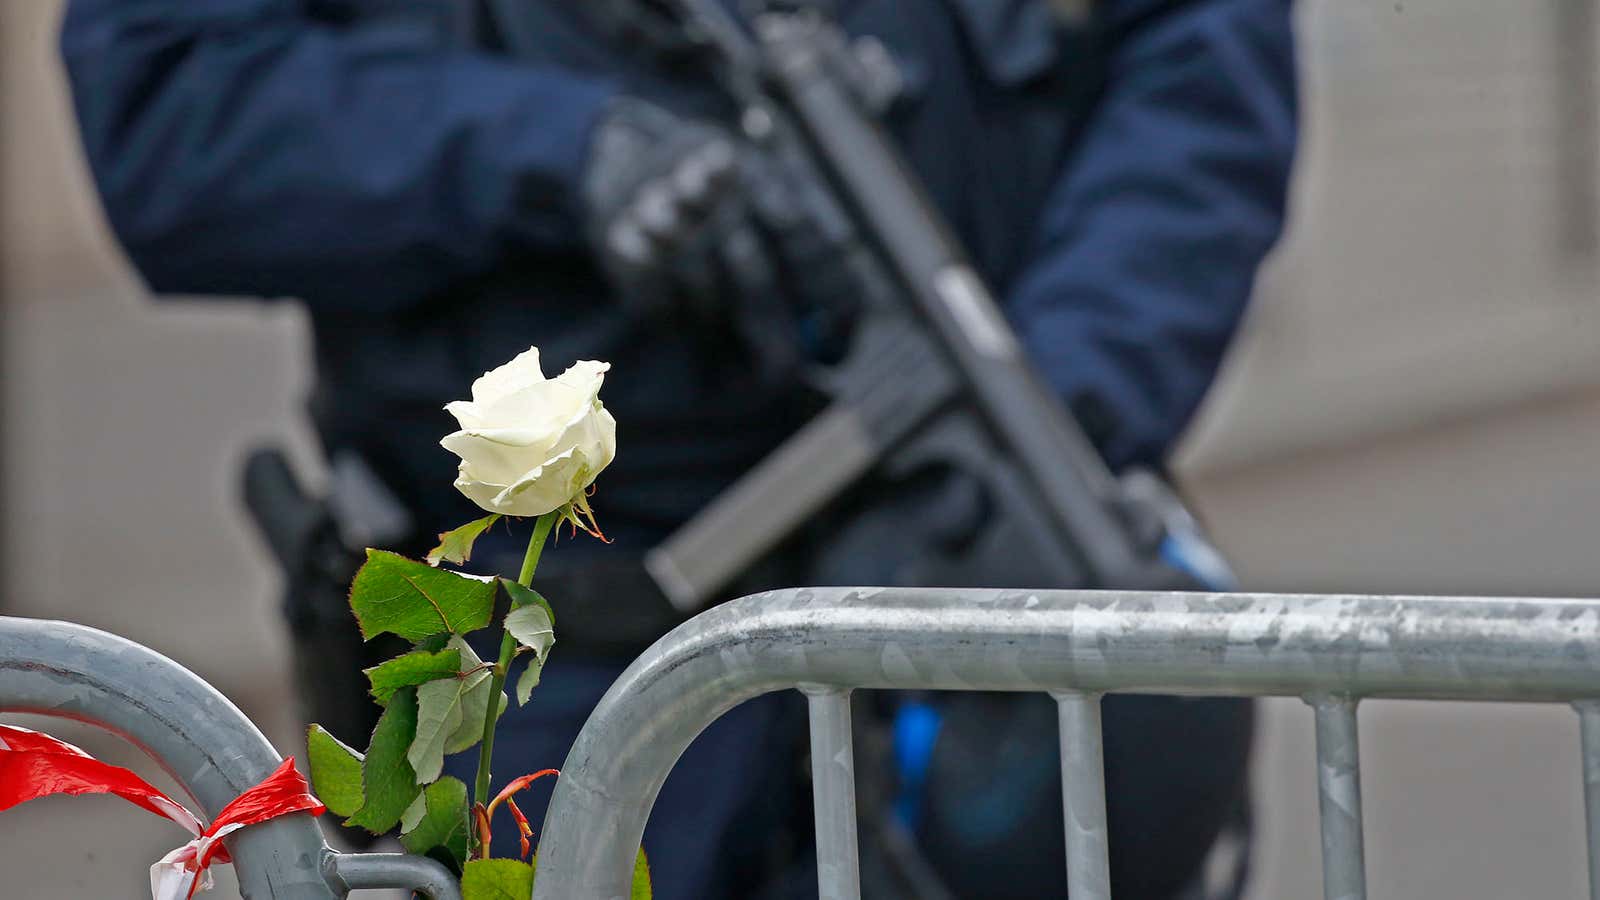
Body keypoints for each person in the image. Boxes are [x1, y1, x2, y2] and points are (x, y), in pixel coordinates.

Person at [60, 0, 1297, 897]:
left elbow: (1194, 68)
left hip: (966, 591)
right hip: (545, 670)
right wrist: (558, 151)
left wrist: (1044, 399)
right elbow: (173, 107)